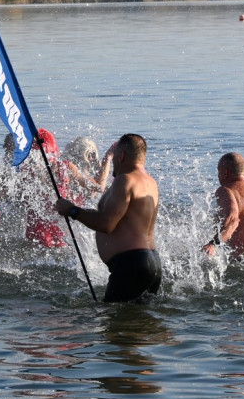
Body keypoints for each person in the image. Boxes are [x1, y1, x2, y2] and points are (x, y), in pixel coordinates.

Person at [55, 133, 162, 303]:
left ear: (121, 156)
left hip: (130, 265)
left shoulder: (125, 180)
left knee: (114, 325)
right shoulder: (150, 182)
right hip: (153, 263)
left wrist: (73, 211)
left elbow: (106, 224)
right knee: (141, 325)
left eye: (113, 158)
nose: (112, 163)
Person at [22, 128, 72, 248]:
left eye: (40, 153)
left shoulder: (65, 167)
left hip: (62, 228)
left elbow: (96, 188)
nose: (36, 158)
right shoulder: (28, 173)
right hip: (36, 231)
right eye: (34, 154)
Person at [62, 136, 113, 206]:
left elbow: (92, 193)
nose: (94, 158)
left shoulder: (81, 172)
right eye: (91, 154)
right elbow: (99, 188)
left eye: (94, 154)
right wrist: (108, 158)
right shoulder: (68, 167)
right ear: (80, 154)